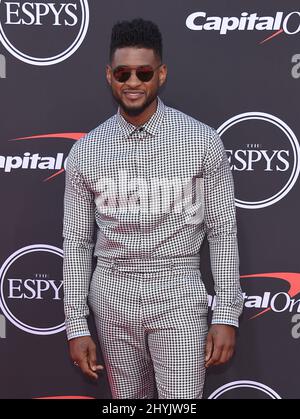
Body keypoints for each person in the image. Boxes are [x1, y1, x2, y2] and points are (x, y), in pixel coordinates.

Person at [63, 18, 243, 399]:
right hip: (111, 291)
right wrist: (76, 324)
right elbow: (77, 242)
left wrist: (226, 313)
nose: (133, 82)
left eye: (143, 73)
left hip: (177, 289)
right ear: (108, 76)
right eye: (123, 73)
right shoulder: (85, 151)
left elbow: (223, 230)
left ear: (161, 74)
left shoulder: (201, 141)